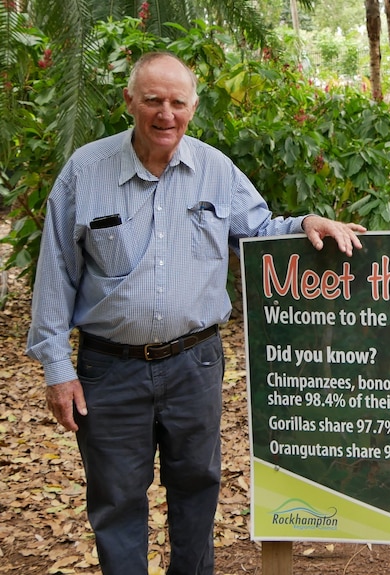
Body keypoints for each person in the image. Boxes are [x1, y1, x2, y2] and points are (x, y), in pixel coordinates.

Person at [26, 51, 365, 574]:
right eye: (153, 101)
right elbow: (56, 274)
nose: (166, 115)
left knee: (196, 491)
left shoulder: (215, 171)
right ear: (129, 102)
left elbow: (257, 229)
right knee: (116, 502)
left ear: (193, 107)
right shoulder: (85, 173)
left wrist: (307, 222)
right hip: (109, 370)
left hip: (195, 364)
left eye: (177, 103)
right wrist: (57, 369)